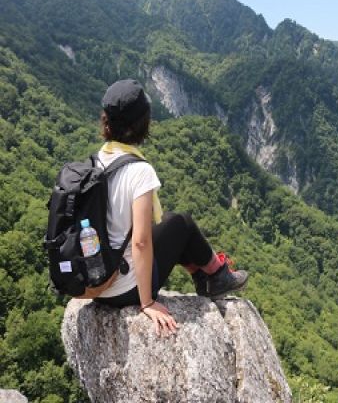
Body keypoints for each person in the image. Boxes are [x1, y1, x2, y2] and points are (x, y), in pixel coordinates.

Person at [81, 79, 248, 337]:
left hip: (98, 283)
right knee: (181, 222)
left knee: (170, 224)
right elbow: (140, 242)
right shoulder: (138, 170)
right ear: (142, 124)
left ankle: (206, 275)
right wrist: (146, 302)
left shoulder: (99, 159)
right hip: (125, 289)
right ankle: (217, 275)